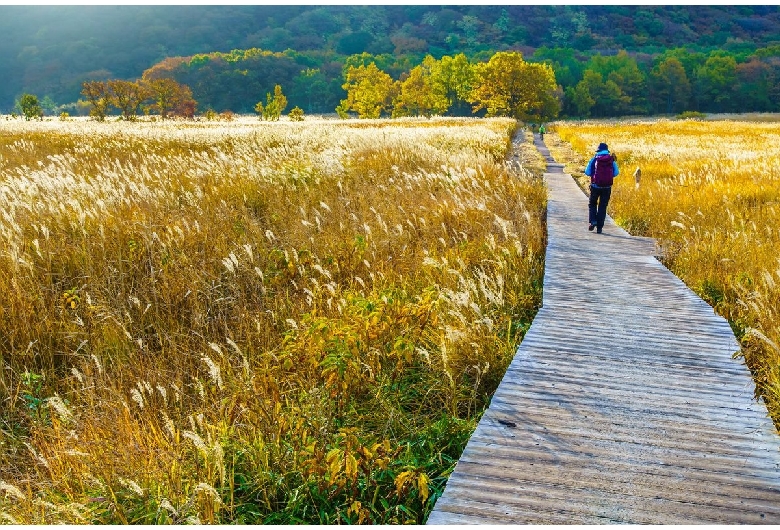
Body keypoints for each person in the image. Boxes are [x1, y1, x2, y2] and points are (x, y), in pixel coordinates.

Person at [584, 142, 619, 234]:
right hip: (607, 187)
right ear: (607, 150)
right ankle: (599, 228)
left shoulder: (594, 159)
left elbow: (587, 172)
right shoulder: (611, 160)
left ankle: (593, 221)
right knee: (603, 207)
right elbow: (616, 173)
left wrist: (595, 175)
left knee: (592, 204)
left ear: (598, 150)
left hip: (595, 186)